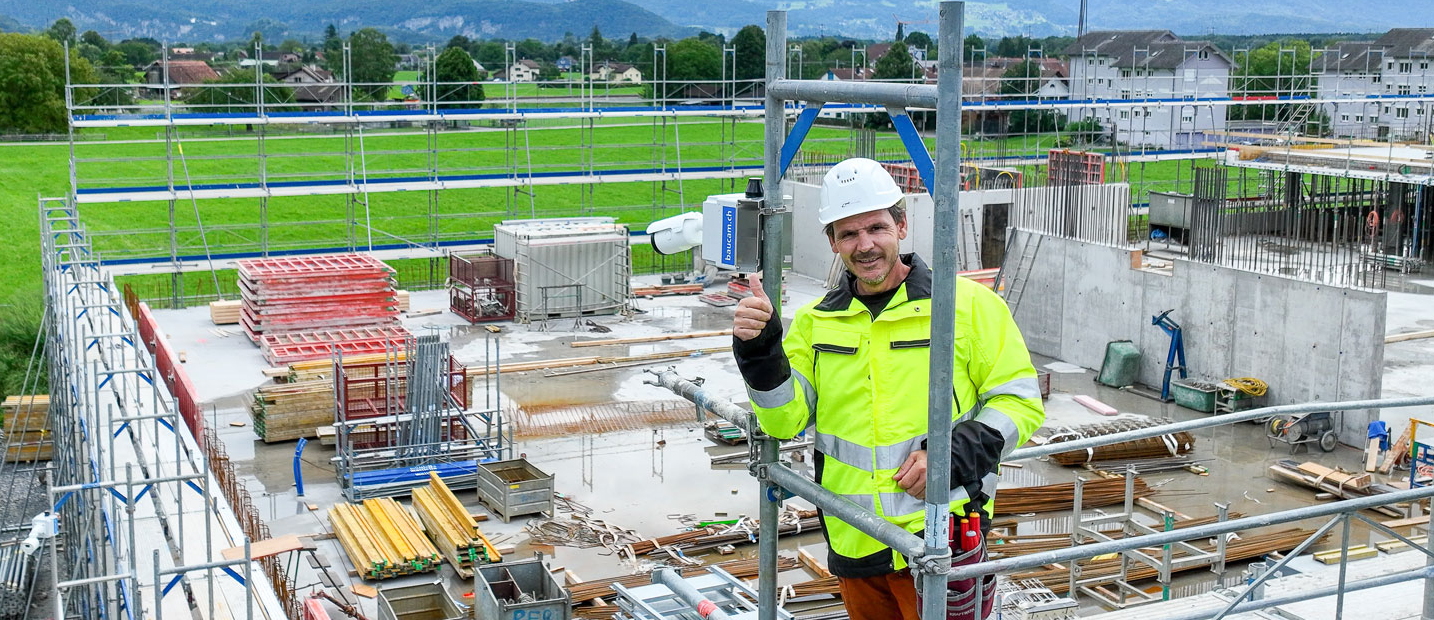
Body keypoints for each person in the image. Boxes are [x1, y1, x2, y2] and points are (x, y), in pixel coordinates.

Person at [731, 158, 1045, 620]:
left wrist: (949, 456)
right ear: (833, 242)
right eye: (849, 234)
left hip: (939, 534)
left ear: (900, 225)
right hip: (855, 538)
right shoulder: (818, 322)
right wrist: (760, 351)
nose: (865, 245)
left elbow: (1019, 403)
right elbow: (784, 420)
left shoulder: (968, 307)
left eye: (876, 228)